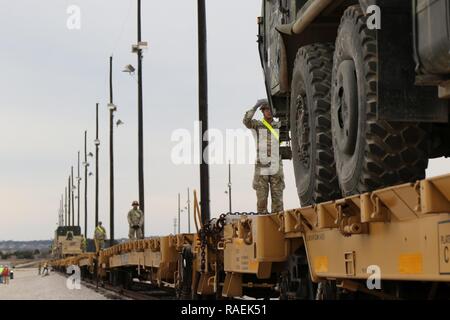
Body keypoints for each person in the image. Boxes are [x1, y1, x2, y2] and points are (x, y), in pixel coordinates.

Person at [243, 99, 285, 213]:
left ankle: (278, 225)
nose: (269, 112)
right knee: (261, 199)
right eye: (266, 109)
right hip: (262, 165)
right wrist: (255, 106)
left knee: (278, 201)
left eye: (270, 109)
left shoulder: (279, 125)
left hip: (276, 164)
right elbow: (246, 121)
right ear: (263, 112)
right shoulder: (257, 125)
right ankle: (264, 224)